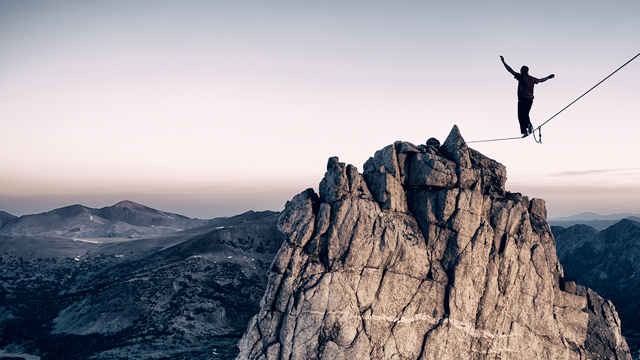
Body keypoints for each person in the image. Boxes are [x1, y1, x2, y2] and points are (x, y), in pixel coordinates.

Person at [500, 55, 555, 137]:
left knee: (520, 115)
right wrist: (548, 77)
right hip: (530, 99)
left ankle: (525, 130)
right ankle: (528, 125)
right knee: (525, 114)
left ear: (522, 71)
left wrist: (504, 62)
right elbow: (541, 80)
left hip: (522, 99)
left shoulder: (521, 77)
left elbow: (510, 70)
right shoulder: (532, 79)